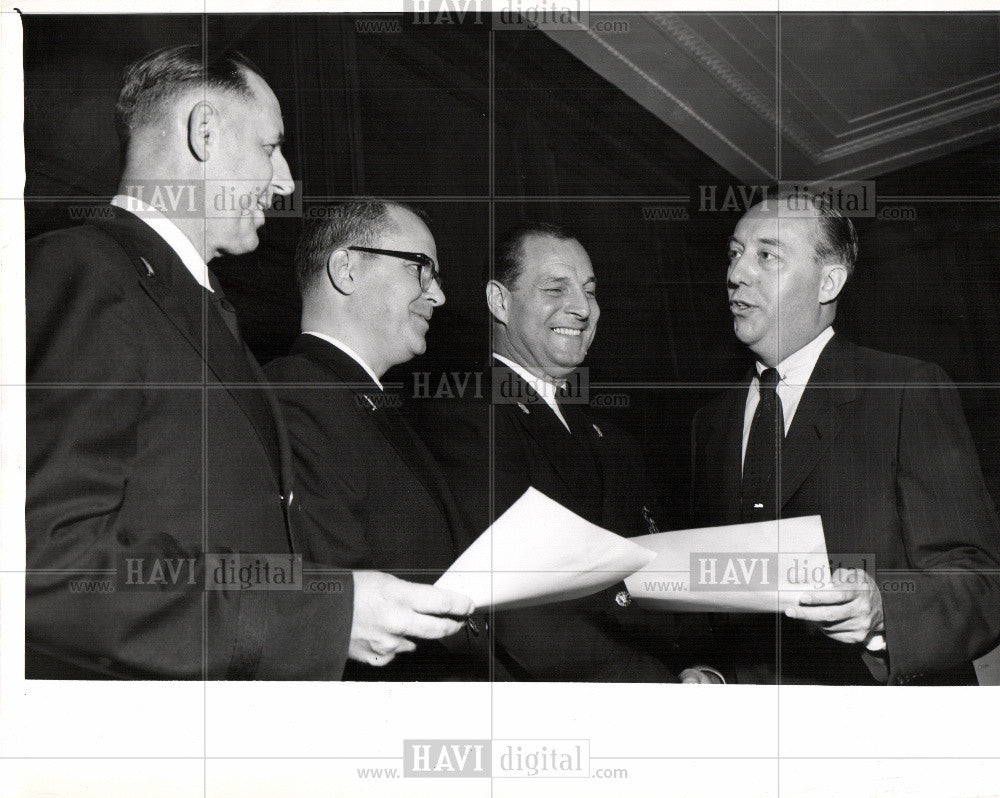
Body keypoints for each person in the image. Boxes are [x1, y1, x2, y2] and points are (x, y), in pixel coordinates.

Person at [25, 46, 471, 679]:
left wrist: (335, 605)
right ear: (204, 133)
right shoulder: (84, 271)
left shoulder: (198, 308)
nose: (285, 180)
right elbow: (46, 568)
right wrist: (324, 614)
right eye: (270, 148)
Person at [691, 194, 1000, 684]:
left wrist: (883, 612)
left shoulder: (902, 391)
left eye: (766, 255)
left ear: (829, 281)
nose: (737, 274)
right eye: (734, 254)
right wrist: (712, 670)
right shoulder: (710, 424)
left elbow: (980, 580)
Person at [413, 223, 705, 682]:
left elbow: (660, 584)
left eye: (590, 292)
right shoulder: (464, 417)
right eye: (556, 288)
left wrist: (704, 668)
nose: (582, 308)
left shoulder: (618, 441)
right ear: (499, 301)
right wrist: (657, 685)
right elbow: (517, 609)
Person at [265, 201, 494, 680]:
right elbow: (343, 604)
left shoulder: (368, 406)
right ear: (346, 269)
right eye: (421, 269)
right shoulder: (296, 397)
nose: (439, 296)